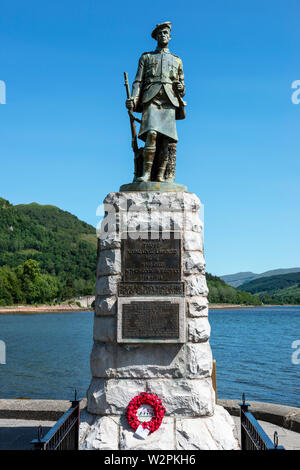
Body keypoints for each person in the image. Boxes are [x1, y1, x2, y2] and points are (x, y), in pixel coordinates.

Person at [126, 22, 186, 182]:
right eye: (160, 33)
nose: (163, 35)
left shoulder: (177, 60)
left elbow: (183, 86)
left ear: (170, 36)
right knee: (151, 134)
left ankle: (160, 175)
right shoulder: (146, 57)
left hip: (169, 100)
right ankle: (146, 174)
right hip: (151, 98)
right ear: (156, 37)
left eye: (166, 33)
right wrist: (133, 98)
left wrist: (181, 88)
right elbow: (138, 81)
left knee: (166, 140)